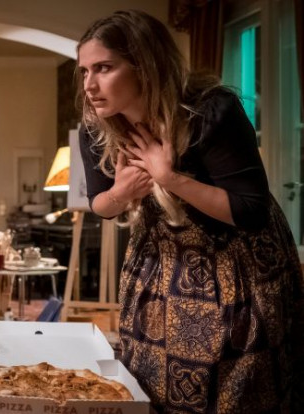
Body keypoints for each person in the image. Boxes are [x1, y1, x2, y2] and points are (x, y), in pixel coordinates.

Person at [76, 10, 304, 413]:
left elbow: (250, 211)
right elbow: (101, 205)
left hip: (239, 274)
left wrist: (170, 178)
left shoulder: (211, 111)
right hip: (160, 272)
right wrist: (120, 193)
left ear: (145, 65)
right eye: (84, 71)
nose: (89, 85)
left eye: (104, 68)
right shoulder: (97, 127)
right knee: (150, 390)